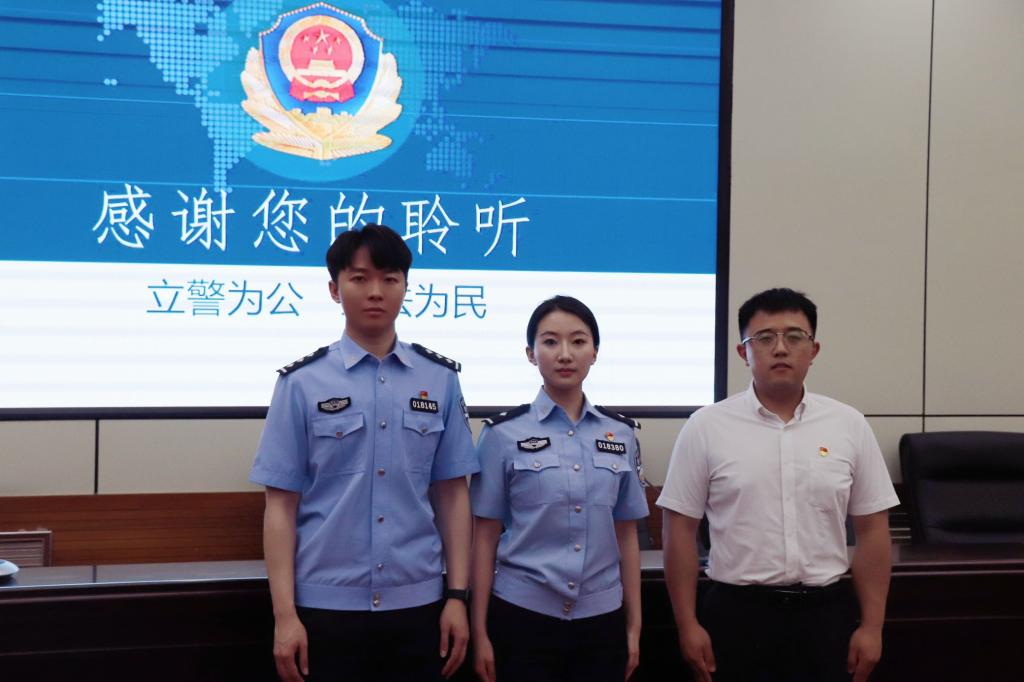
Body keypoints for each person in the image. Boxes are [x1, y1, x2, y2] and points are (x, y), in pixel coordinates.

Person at [249, 224, 478, 682]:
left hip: (419, 605)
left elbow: (453, 495)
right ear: (335, 290)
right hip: (325, 608)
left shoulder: (440, 379)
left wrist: (457, 596)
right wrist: (284, 615)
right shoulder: (300, 384)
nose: (376, 292)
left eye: (390, 279)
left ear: (406, 287)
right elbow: (280, 507)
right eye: (359, 279)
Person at [658, 287, 899, 682]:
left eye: (794, 336)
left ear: (814, 349)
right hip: (736, 616)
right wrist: (687, 624)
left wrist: (873, 627)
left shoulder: (849, 425)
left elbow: (873, 530)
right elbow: (679, 531)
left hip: (825, 616)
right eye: (765, 338)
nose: (781, 348)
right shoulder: (705, 427)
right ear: (743, 352)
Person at [469, 295, 649, 682]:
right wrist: (479, 631)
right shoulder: (501, 434)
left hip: (602, 620)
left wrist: (633, 625)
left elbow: (627, 534)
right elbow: (484, 537)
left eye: (578, 341)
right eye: (550, 341)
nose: (565, 354)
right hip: (522, 616)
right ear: (531, 354)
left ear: (595, 352)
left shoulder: (620, 434)